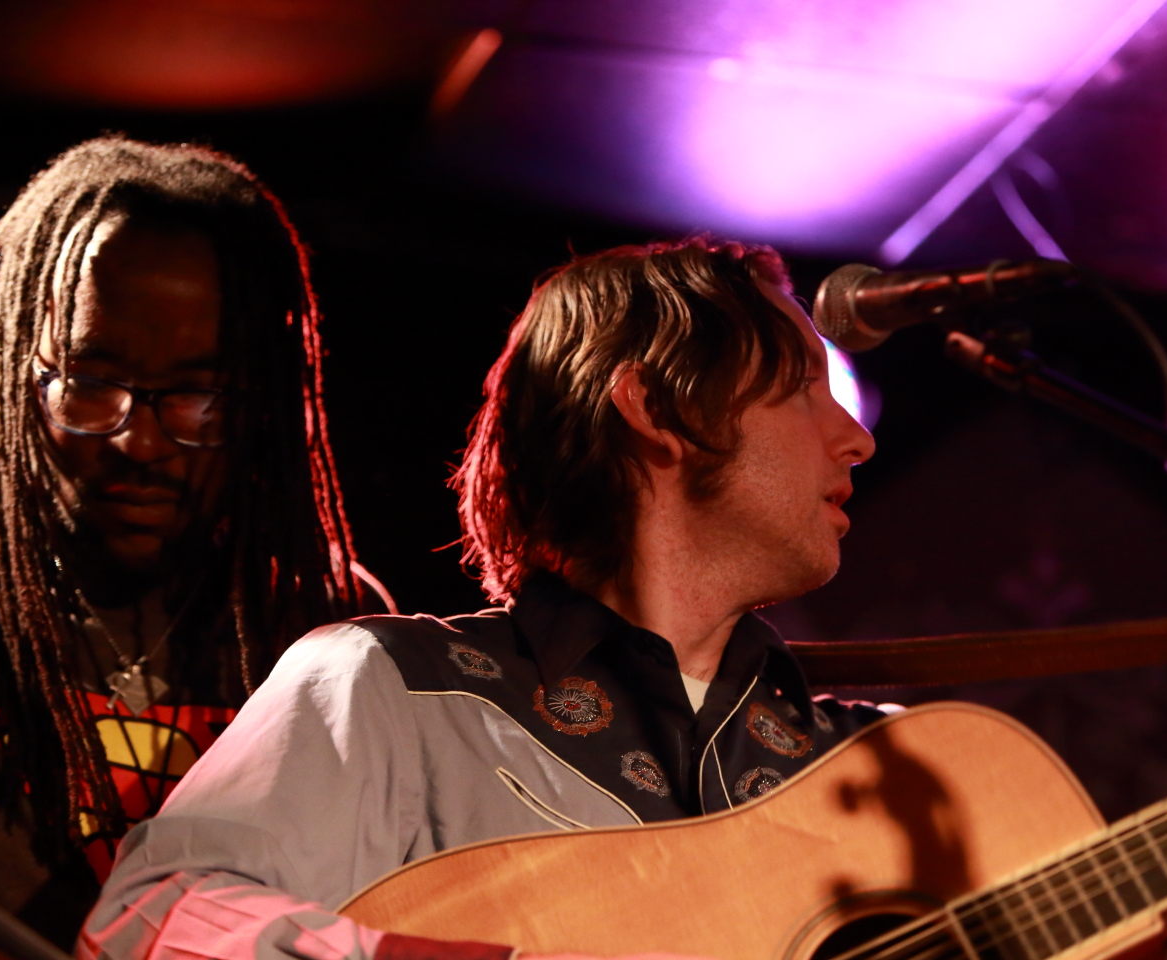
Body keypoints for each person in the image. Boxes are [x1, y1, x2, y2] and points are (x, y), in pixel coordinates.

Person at [80, 236, 883, 959]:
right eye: (801, 388)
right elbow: (154, 920)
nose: (858, 439)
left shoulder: (878, 764)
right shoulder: (395, 686)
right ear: (657, 408)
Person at [0, 137, 392, 953]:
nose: (138, 443)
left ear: (262, 403)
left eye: (198, 396)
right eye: (89, 385)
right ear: (20, 366)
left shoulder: (327, 620)